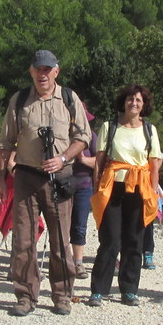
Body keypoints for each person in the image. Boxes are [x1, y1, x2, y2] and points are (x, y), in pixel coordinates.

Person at [0, 49, 90, 316]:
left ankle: (61, 295)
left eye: (47, 69)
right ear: (31, 72)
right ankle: (25, 295)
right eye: (38, 69)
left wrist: (62, 158)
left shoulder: (70, 99)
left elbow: (82, 137)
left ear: (56, 72)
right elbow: (5, 142)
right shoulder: (20, 101)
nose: (42, 74)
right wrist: (2, 179)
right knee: (24, 240)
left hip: (60, 178)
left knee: (61, 240)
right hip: (26, 176)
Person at [87, 85, 163, 307]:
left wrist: (154, 194)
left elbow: (154, 165)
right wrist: (96, 189)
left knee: (134, 241)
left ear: (144, 104)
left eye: (138, 100)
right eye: (130, 99)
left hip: (140, 188)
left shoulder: (150, 130)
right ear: (123, 102)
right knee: (109, 239)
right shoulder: (110, 127)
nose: (134, 103)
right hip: (113, 187)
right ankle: (98, 290)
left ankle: (129, 290)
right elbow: (99, 161)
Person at [70, 106, 98, 280]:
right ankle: (62, 261)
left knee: (79, 225)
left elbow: (100, 161)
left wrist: (82, 159)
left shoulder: (92, 136)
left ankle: (78, 262)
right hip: (61, 184)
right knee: (60, 225)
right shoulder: (59, 135)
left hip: (84, 185)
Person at [141, 184, 163, 269]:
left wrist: (154, 192)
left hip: (148, 187)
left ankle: (148, 254)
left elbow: (155, 171)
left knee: (148, 224)